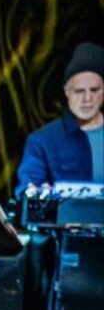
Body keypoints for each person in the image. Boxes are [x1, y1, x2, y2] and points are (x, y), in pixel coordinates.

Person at [16, 41, 104, 196]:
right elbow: (27, 190)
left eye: (94, 90)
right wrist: (36, 193)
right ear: (67, 92)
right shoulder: (42, 141)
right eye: (79, 91)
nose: (87, 98)